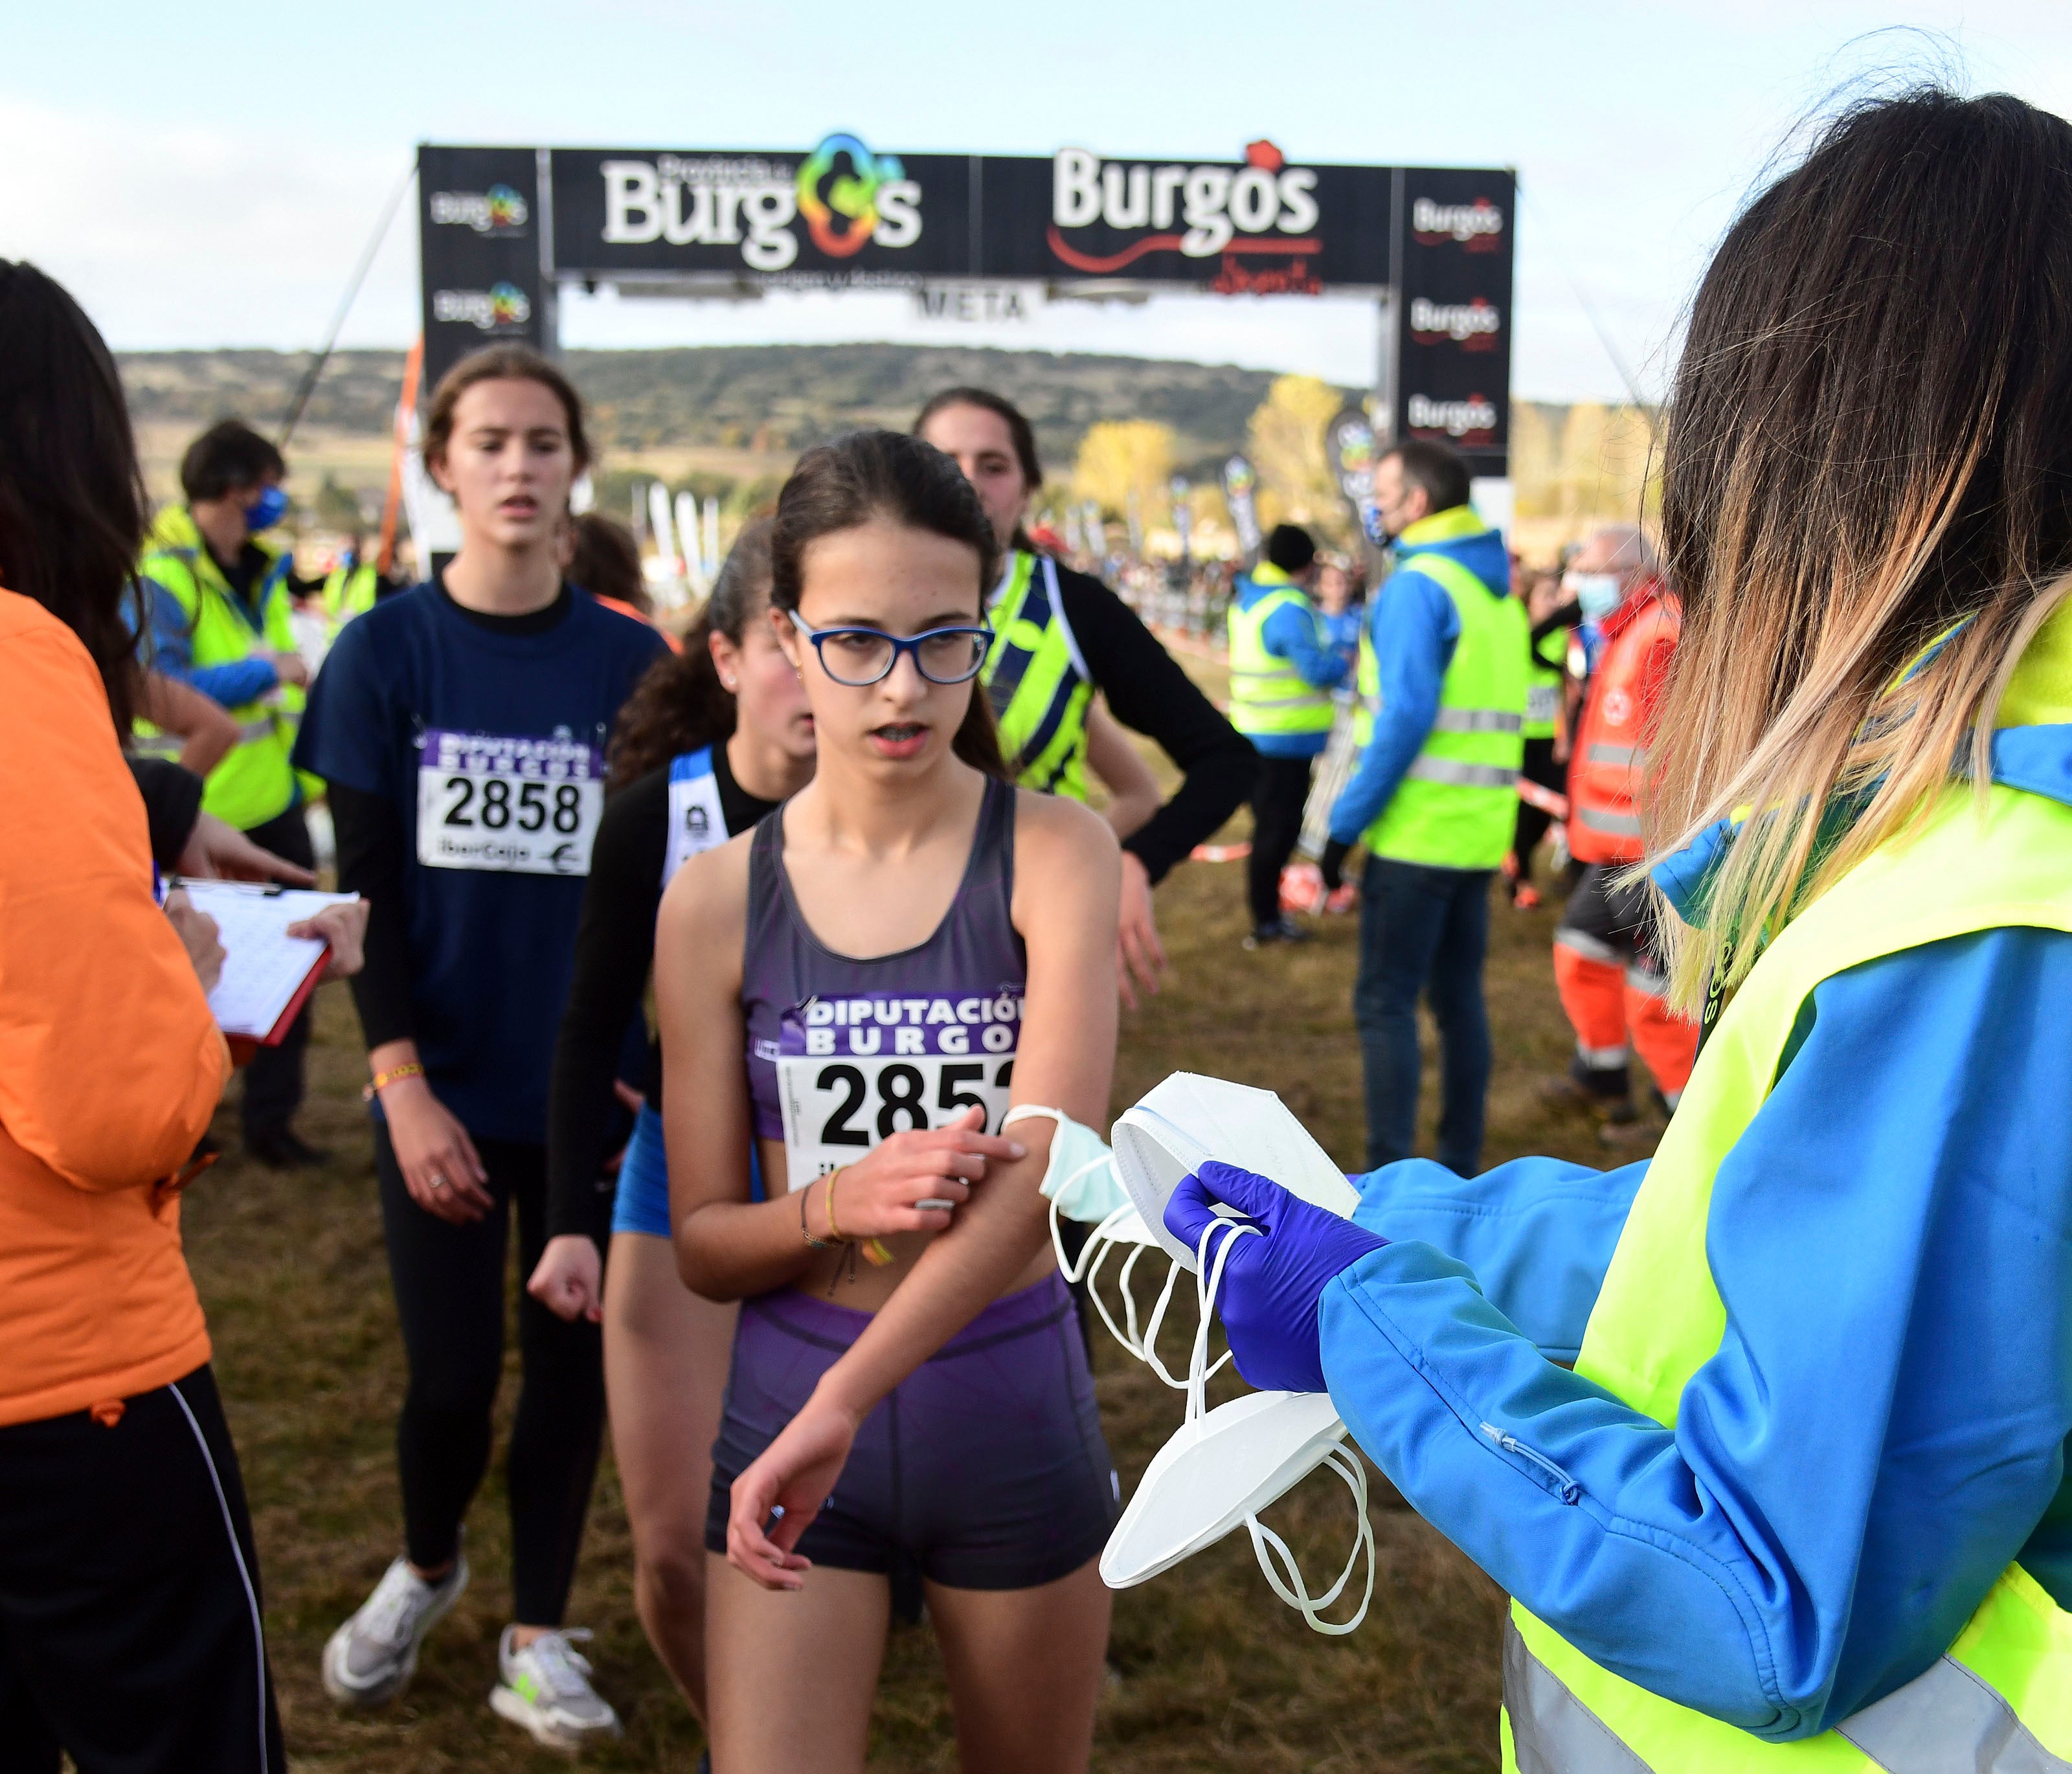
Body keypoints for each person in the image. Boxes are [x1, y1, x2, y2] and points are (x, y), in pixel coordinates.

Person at [1174, 89, 2072, 1769]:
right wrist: (1399, 1221)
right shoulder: (1978, 856)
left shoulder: (1997, 913)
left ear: (1800, 462)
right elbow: (1741, 1239)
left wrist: (1378, 1321)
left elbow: (1775, 1595)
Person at [657, 429, 1121, 1774]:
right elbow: (699, 1242)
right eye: (856, 640)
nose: (902, 684)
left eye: (943, 639)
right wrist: (828, 1203)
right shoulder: (709, 903)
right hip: (789, 1394)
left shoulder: (1055, 852)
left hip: (1004, 1400)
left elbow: (1040, 1178)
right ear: (786, 638)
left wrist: (846, 1395)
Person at [0, 256, 362, 1774]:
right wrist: (198, 973)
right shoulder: (23, 654)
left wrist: (139, 809)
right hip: (61, 1385)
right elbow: (112, 1104)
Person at [293, 344, 667, 1751]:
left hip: (589, 1094)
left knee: (568, 1368)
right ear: (441, 466)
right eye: (490, 441)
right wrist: (399, 1088)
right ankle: (429, 1559)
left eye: (543, 441)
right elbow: (362, 896)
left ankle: (534, 1629)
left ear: (577, 467)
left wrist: (654, 1058)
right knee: (449, 1377)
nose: (517, 466)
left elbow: (667, 890)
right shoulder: (384, 654)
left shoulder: (634, 663)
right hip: (435, 1091)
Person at [525, 520, 813, 1722]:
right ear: (727, 658)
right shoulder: (657, 815)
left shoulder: (936, 819)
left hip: (860, 1179)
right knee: (671, 1552)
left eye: (841, 641)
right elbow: (589, 1024)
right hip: (675, 1180)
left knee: (847, 1527)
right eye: (788, 645)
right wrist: (567, 1223)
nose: (822, 674)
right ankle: (737, 1744)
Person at [915, 387, 1257, 1007]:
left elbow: (1225, 760)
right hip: (876, 924)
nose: (968, 482)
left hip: (1027, 943)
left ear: (1026, 490)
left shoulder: (1071, 606)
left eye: (993, 465)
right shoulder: (855, 599)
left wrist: (1133, 862)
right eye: (945, 461)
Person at [1318, 437, 1527, 1175]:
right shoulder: (1493, 592)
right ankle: (1459, 1162)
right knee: (1459, 1002)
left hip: (1413, 837)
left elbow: (1403, 719)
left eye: (1379, 491)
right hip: (1476, 837)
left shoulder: (1416, 585)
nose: (1370, 504)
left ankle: (1386, 1176)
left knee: (1385, 1005)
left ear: (1416, 502)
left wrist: (1339, 830)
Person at [137, 418, 324, 1169]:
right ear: (237, 489)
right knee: (179, 978)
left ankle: (272, 1123)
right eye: (269, 485)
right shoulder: (163, 577)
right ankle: (182, 1121)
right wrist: (267, 670)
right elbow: (161, 687)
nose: (276, 499)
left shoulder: (264, 570)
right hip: (191, 811)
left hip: (270, 801)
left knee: (295, 969)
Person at [1542, 525, 1696, 1140]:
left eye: (1588, 567)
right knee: (1591, 957)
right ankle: (1606, 1081)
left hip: (1654, 852)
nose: (1578, 581)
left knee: (1649, 990)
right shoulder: (1632, 629)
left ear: (1630, 573)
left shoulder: (1660, 632)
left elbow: (1686, 747)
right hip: (1622, 853)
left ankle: (1682, 1122)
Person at [1226, 522, 1353, 946]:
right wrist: (1344, 660)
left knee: (1271, 832)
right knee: (1276, 835)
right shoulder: (1287, 609)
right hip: (1283, 744)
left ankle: (1267, 917)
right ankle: (1267, 922)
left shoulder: (1251, 601)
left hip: (1256, 735)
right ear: (1306, 564)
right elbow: (1316, 671)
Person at [1505, 566, 1575, 909]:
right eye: (1547, 596)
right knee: (1523, 811)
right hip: (1519, 739)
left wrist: (1564, 738)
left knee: (1550, 810)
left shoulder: (1560, 636)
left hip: (1548, 738)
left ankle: (1515, 859)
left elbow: (1565, 689)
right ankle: (1522, 882)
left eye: (1556, 595)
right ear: (1528, 602)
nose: (1555, 602)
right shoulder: (1517, 633)